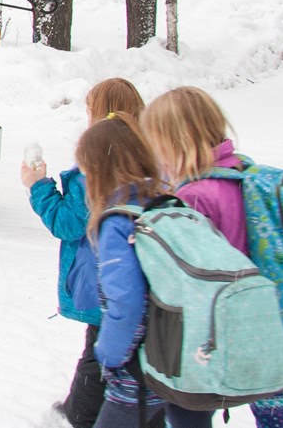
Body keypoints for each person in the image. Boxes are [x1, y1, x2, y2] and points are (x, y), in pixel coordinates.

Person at [141, 87, 283, 428]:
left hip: (212, 331)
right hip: (263, 321)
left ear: (173, 142)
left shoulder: (194, 197)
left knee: (187, 411)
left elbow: (181, 276)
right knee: (272, 406)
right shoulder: (243, 174)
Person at [21, 78, 146, 428]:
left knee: (97, 349)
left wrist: (38, 186)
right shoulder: (149, 157)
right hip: (139, 275)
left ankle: (80, 413)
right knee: (127, 346)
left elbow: (67, 223)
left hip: (102, 276)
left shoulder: (96, 170)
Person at [76, 113, 204, 428]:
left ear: (98, 171)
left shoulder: (120, 221)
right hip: (186, 360)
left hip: (139, 372)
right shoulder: (173, 205)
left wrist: (106, 354)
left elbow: (127, 303)